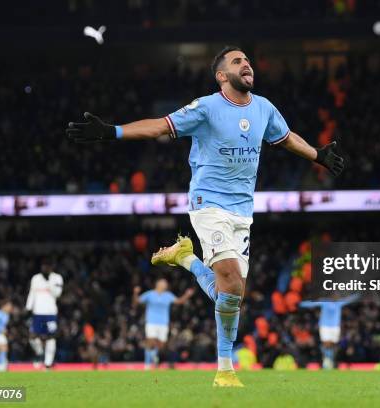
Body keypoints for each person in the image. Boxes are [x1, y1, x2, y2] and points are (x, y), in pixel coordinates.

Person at [66, 46, 344, 386]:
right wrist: (113, 132)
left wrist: (318, 155)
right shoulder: (207, 107)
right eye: (238, 61)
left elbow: (285, 139)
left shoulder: (264, 109)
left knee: (231, 292)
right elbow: (159, 127)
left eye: (248, 60)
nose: (247, 64)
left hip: (243, 210)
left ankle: (187, 260)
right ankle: (225, 369)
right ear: (222, 75)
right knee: (228, 274)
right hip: (208, 202)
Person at [132, 279, 195, 369]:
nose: (165, 285)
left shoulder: (168, 295)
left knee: (161, 345)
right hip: (151, 322)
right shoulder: (150, 294)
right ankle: (147, 364)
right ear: (157, 284)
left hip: (163, 323)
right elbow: (137, 302)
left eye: (165, 284)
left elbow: (179, 301)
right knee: (150, 342)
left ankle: (155, 356)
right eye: (163, 283)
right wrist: (135, 293)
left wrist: (187, 295)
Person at [299, 294, 359, 369]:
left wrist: (358, 295)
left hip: (335, 326)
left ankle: (331, 359)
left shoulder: (339, 303)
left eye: (337, 296)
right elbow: (312, 304)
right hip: (325, 326)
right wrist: (301, 303)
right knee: (326, 343)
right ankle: (326, 360)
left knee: (334, 344)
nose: (336, 297)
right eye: (334, 295)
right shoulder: (325, 302)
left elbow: (349, 300)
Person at [25, 258, 63, 369]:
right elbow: (32, 293)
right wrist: (28, 308)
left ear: (52, 267)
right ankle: (40, 353)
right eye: (44, 265)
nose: (45, 268)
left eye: (48, 265)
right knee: (32, 337)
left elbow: (58, 294)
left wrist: (49, 283)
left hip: (50, 312)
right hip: (37, 312)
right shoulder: (36, 278)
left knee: (51, 337)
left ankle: (48, 363)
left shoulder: (57, 278)